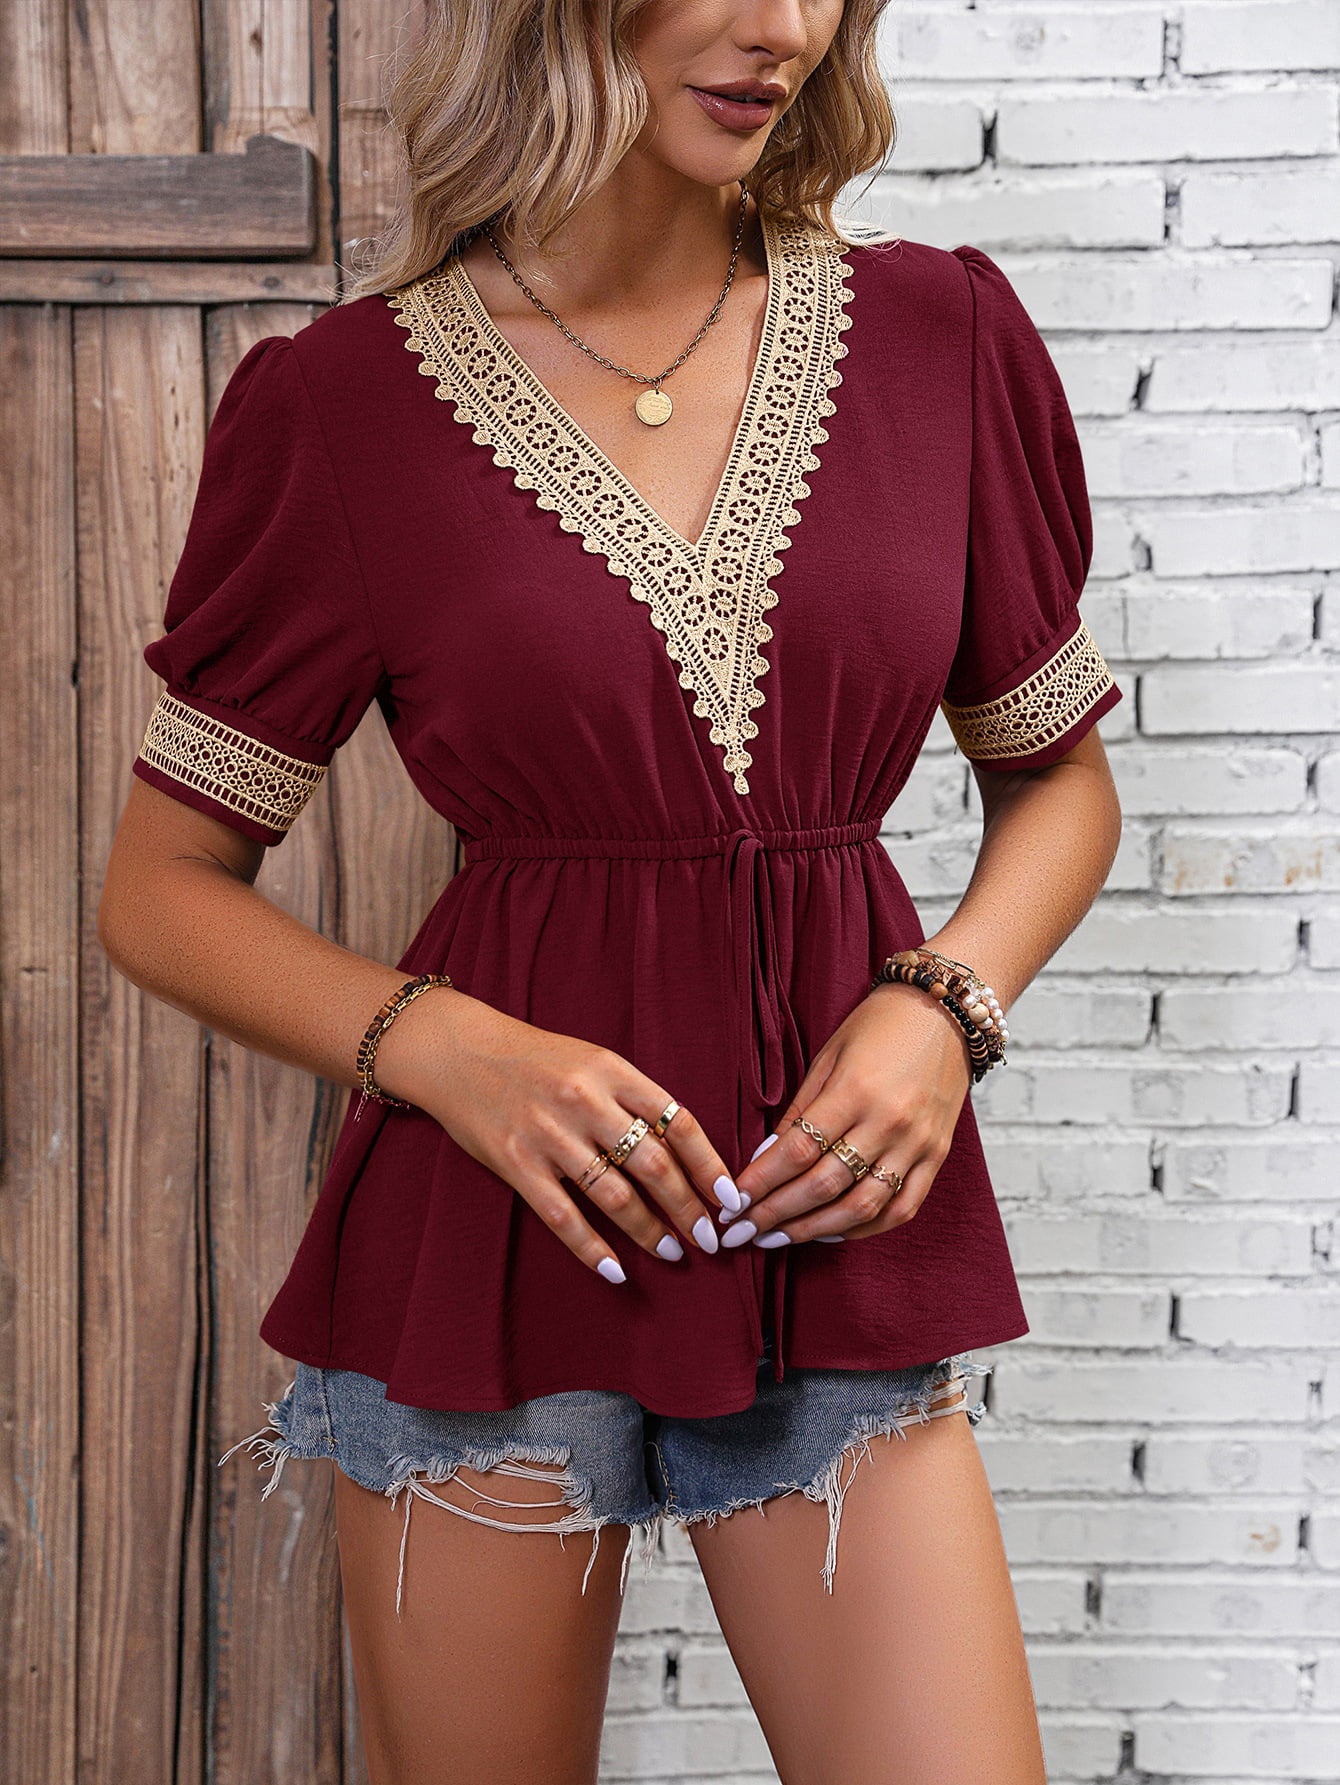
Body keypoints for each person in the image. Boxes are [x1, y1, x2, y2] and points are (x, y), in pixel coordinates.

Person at [97, 2, 1124, 1780]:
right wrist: (454, 1053)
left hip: (829, 1234)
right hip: (489, 1250)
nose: (781, 28)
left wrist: (945, 1004)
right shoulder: (345, 408)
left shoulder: (939, 339)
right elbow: (161, 889)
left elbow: (1061, 783)